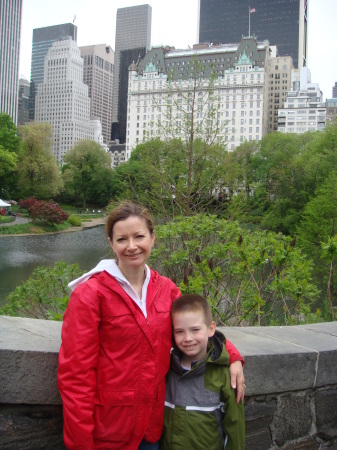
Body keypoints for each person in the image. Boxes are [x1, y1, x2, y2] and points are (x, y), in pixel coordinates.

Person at [57, 200, 245, 450]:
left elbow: (198, 326)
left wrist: (232, 355)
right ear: (111, 243)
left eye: (139, 236)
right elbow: (75, 375)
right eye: (122, 239)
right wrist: (80, 443)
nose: (132, 246)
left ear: (153, 238)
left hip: (151, 428)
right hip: (108, 430)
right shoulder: (91, 294)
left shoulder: (166, 289)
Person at [160, 294, 245, 450]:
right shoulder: (167, 370)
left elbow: (234, 429)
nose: (188, 338)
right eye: (179, 332)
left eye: (195, 330)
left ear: (211, 329)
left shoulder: (224, 377)